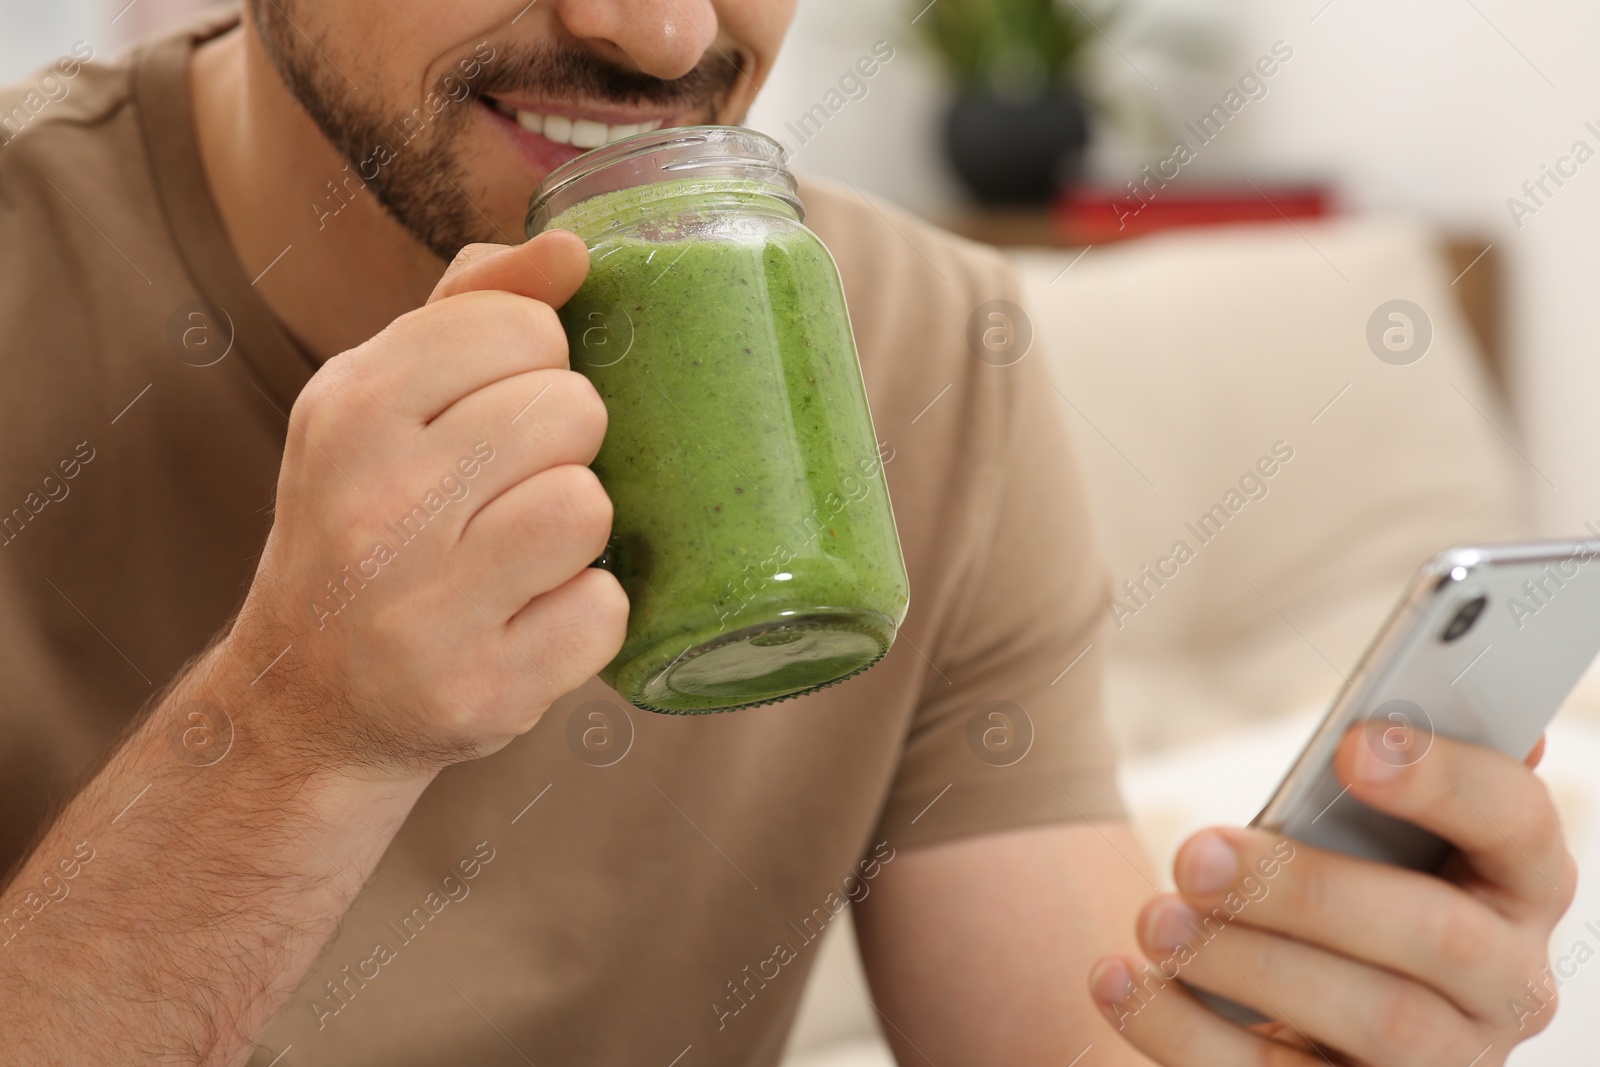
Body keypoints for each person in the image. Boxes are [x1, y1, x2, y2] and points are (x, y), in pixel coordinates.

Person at [0, 3, 1574, 1064]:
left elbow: (1069, 1023)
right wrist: (291, 731)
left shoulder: (933, 354)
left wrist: (1334, 1015)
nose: (666, 30)